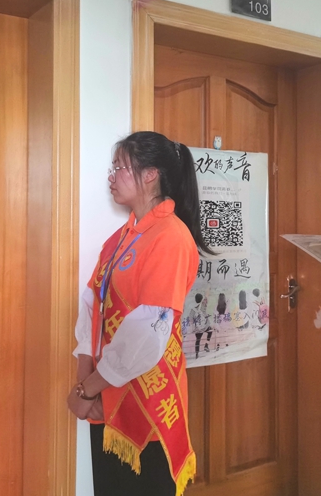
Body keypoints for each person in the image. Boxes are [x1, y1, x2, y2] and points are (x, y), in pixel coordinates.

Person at [68, 131, 213, 496]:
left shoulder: (171, 237)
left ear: (150, 174)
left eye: (120, 167)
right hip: (106, 392)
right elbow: (92, 305)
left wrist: (88, 388)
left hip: (148, 396)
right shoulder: (122, 237)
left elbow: (147, 333)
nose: (111, 176)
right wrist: (85, 385)